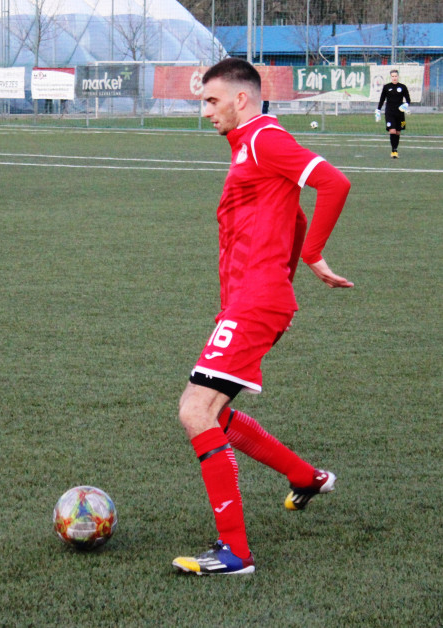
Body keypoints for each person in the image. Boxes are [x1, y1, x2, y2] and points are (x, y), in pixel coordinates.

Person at [171, 58, 353, 575]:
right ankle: (306, 477)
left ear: (241, 99)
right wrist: (277, 283)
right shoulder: (247, 145)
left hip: (255, 301)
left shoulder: (264, 139)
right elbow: (291, 216)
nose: (206, 111)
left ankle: (235, 552)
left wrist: (311, 257)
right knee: (214, 412)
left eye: (211, 101)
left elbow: (334, 183)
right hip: (251, 299)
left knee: (196, 411)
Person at [376, 69, 411, 159]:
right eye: (393, 76)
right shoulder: (386, 87)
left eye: (396, 76)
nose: (394, 78)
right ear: (390, 77)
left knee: (398, 132)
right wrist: (378, 110)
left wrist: (405, 105)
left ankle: (395, 148)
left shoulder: (403, 87)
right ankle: (394, 151)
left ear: (398, 76)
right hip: (389, 112)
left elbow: (408, 100)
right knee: (392, 131)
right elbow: (382, 99)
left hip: (400, 113)